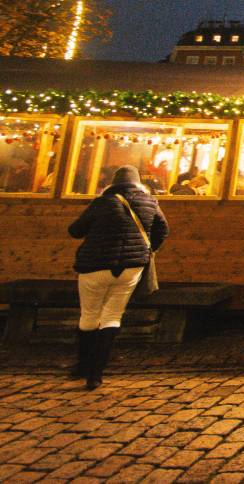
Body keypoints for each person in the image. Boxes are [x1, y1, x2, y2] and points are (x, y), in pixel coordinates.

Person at [67, 165, 168, 390]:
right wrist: (148, 249)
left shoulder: (102, 202)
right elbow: (163, 229)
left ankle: (83, 365)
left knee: (89, 317)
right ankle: (96, 373)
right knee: (113, 316)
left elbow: (75, 230)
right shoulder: (150, 202)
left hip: (95, 264)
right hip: (131, 266)